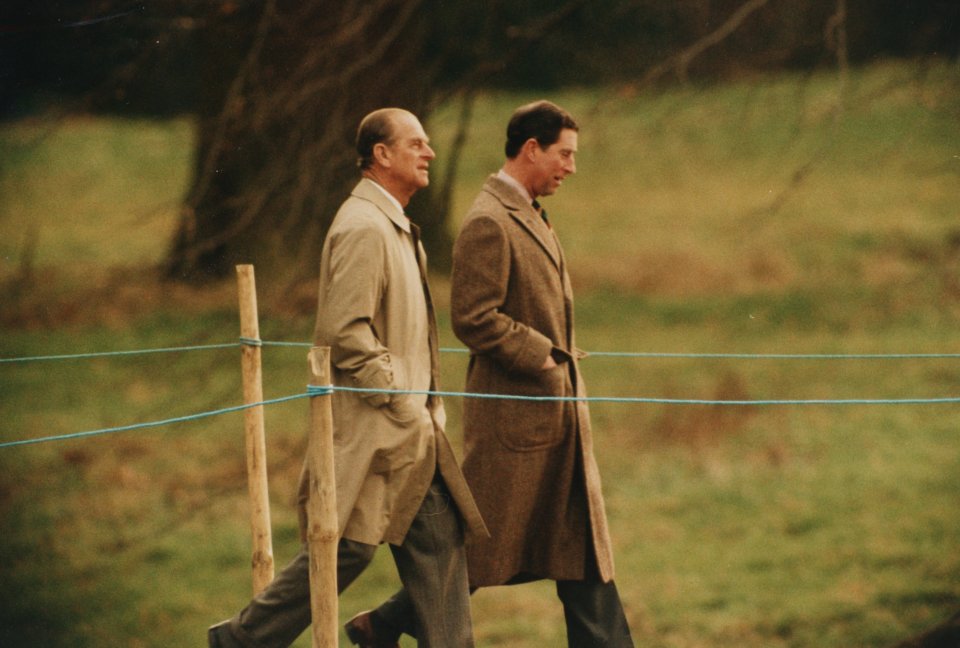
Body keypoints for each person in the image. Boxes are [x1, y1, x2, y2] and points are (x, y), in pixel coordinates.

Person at [354, 100, 634, 646]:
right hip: (517, 428)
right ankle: (383, 623)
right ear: (532, 149)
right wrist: (544, 355)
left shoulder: (528, 210)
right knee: (483, 551)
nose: (571, 167)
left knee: (583, 553)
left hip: (554, 420)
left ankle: (382, 623)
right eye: (565, 154)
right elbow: (473, 318)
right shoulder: (489, 219)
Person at [208, 107, 487, 648]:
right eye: (416, 143)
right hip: (379, 432)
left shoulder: (396, 224)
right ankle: (240, 642)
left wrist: (418, 409)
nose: (428, 152)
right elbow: (345, 330)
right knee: (345, 549)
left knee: (443, 546)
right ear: (380, 155)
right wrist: (400, 395)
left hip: (416, 438)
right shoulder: (363, 226)